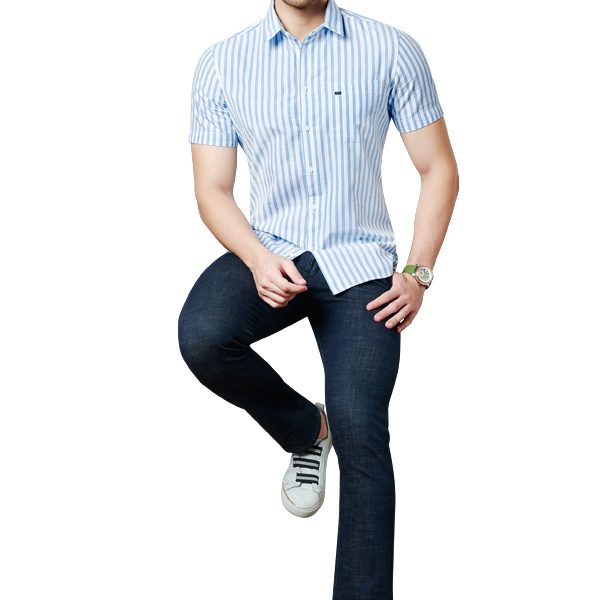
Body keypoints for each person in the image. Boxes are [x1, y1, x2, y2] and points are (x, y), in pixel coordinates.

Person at [178, 0, 459, 597]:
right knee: (202, 336)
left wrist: (418, 273)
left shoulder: (391, 49)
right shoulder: (222, 63)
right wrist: (257, 259)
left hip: (360, 266)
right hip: (271, 252)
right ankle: (307, 430)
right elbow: (212, 189)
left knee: (361, 428)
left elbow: (438, 168)